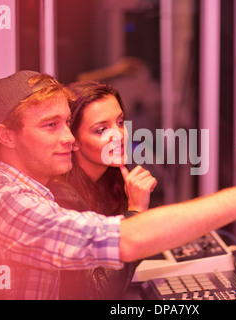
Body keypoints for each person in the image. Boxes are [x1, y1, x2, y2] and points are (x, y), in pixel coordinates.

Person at [0, 70, 236, 300]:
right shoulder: (4, 201)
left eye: (67, 123)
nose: (67, 137)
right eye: (50, 126)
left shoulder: (37, 192)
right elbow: (123, 242)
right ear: (6, 136)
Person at [47, 81, 157, 299]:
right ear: (73, 141)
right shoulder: (61, 198)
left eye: (120, 122)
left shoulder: (113, 177)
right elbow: (96, 294)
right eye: (101, 129)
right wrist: (136, 213)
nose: (119, 135)